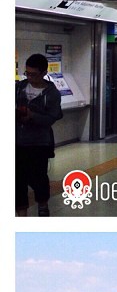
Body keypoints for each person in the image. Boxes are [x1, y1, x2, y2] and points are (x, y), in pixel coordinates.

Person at [15, 53, 63, 216]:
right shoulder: (18, 88)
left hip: (39, 143)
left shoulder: (52, 94)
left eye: (33, 74)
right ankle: (21, 214)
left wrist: (32, 116)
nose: (29, 77)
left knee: (39, 177)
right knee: (17, 179)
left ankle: (42, 205)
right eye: (27, 73)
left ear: (43, 73)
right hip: (17, 142)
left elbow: (52, 117)